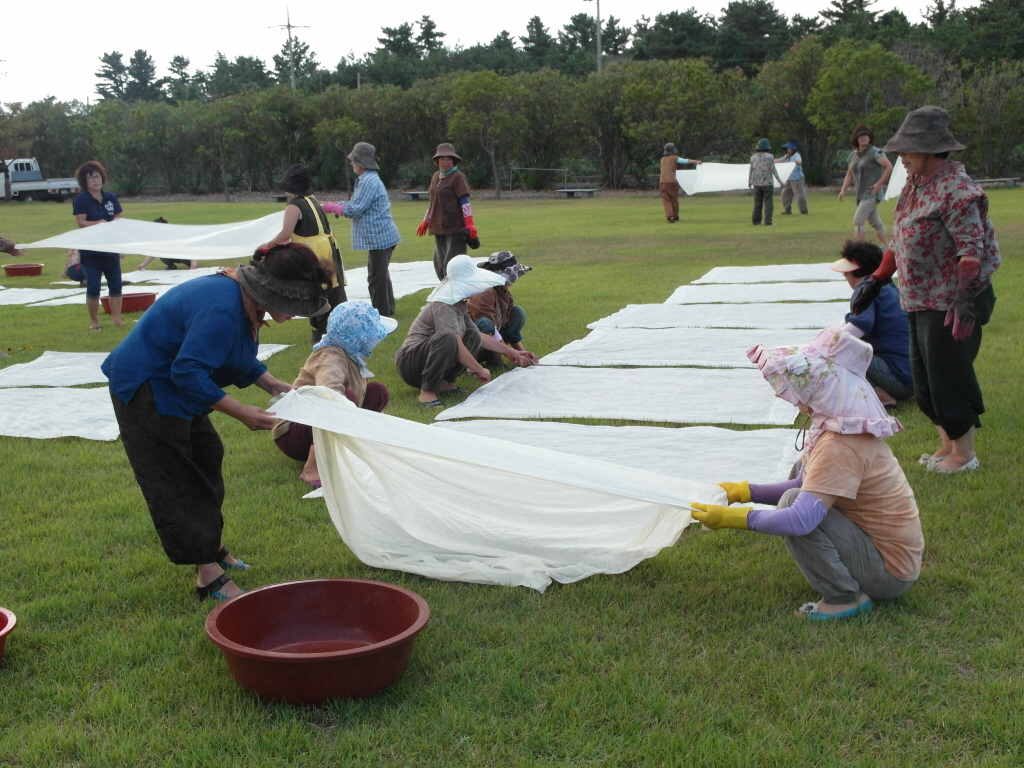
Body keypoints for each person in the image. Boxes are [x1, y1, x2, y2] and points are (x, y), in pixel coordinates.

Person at [102, 243, 333, 601]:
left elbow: (229, 352)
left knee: (207, 456)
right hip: (147, 387)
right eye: (293, 307)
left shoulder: (240, 298)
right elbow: (188, 371)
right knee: (177, 478)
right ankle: (207, 575)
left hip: (174, 385)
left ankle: (211, 546)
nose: (294, 315)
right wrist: (241, 411)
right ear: (270, 292)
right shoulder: (223, 306)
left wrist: (270, 383)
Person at [691, 326, 923, 621]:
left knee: (792, 503)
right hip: (889, 559)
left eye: (806, 384)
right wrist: (744, 491)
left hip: (888, 574)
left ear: (826, 389)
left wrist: (733, 519)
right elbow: (806, 482)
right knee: (798, 482)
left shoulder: (841, 444)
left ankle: (844, 597)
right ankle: (842, 581)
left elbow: (800, 519)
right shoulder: (839, 429)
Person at [850, 106, 1000, 474]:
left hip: (951, 301)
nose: (901, 158)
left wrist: (964, 300)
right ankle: (947, 445)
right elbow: (899, 241)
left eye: (908, 151)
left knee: (948, 377)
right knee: (924, 380)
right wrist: (877, 280)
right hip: (918, 298)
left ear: (932, 151)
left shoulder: (957, 190)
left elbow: (970, 249)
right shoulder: (916, 186)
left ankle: (964, 456)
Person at [272, 301, 396, 488]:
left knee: (376, 392)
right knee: (343, 398)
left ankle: (354, 446)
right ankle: (312, 467)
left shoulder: (350, 354)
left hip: (316, 425)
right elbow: (328, 396)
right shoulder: (331, 355)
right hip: (293, 434)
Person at [396, 255, 532, 408]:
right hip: (411, 364)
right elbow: (456, 345)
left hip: (426, 360)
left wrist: (510, 352)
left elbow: (479, 337)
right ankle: (427, 392)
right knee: (448, 337)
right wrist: (478, 369)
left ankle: (444, 382)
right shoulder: (443, 305)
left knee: (472, 334)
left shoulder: (459, 305)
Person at [263, 164, 347, 343]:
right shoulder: (313, 200)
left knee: (318, 293)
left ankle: (322, 334)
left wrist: (268, 245)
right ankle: (334, 329)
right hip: (327, 249)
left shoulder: (295, 205)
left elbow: (286, 233)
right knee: (332, 291)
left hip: (313, 253)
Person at [320, 143, 401, 317]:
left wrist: (332, 208)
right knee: (381, 275)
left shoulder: (368, 181)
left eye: (353, 160)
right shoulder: (368, 179)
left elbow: (354, 210)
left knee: (376, 278)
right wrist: (335, 206)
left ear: (361, 162)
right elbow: (356, 205)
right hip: (383, 236)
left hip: (380, 237)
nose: (351, 164)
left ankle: (381, 315)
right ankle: (388, 310)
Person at [831, 240, 912, 406]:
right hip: (913, 378)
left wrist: (823, 347)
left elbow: (858, 328)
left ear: (852, 272)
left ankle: (882, 396)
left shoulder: (866, 288)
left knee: (841, 351)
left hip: (897, 377)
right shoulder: (887, 287)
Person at [72, 161, 125, 330]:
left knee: (116, 285)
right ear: (84, 181)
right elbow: (81, 223)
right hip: (91, 251)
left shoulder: (111, 198)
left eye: (97, 176)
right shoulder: (81, 200)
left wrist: (120, 246)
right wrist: (99, 223)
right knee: (93, 287)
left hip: (110, 249)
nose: (96, 180)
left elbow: (118, 219)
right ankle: (94, 321)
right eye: (91, 178)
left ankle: (117, 319)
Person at [415, 143, 478, 281]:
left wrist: (469, 223)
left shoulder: (458, 177)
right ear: (437, 161)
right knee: (439, 263)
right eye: (442, 158)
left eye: (449, 159)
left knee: (453, 265)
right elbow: (433, 202)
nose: (445, 162)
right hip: (438, 226)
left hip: (455, 228)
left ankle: (458, 296)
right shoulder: (435, 177)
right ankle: (446, 292)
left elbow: (465, 201)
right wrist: (426, 220)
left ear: (454, 161)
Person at [467, 251, 539, 367]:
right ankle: (472, 367)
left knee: (517, 312)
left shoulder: (503, 292)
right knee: (485, 323)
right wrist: (510, 353)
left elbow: (504, 329)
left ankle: (494, 357)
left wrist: (522, 353)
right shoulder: (484, 292)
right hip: (473, 345)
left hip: (494, 342)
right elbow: (487, 329)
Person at [838, 125, 893, 245]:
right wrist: (843, 190)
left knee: (858, 220)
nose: (863, 137)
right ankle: (888, 248)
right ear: (856, 139)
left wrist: (879, 184)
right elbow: (849, 174)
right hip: (861, 194)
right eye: (860, 136)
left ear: (870, 137)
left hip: (872, 193)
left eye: (866, 135)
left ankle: (858, 249)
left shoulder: (876, 152)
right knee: (875, 222)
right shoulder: (853, 155)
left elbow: (889, 167)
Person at [658, 143, 702, 223]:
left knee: (666, 201)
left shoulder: (663, 159)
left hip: (662, 182)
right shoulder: (674, 158)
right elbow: (684, 161)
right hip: (672, 182)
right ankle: (675, 216)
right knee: (674, 200)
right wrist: (696, 161)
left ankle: (670, 216)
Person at [748, 139, 783, 226]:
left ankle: (756, 221)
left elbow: (751, 170)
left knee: (757, 203)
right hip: (768, 183)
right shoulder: (770, 157)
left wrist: (750, 181)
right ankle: (768, 221)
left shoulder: (753, 157)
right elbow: (773, 169)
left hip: (756, 183)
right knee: (768, 202)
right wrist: (780, 181)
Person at [775, 140, 808, 215]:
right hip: (789, 179)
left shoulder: (796, 155)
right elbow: (780, 160)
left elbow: (799, 161)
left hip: (797, 178)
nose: (788, 149)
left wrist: (797, 162)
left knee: (800, 194)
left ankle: (803, 211)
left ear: (792, 149)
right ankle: (787, 210)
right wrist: (770, 160)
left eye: (789, 148)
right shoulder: (787, 156)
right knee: (785, 194)